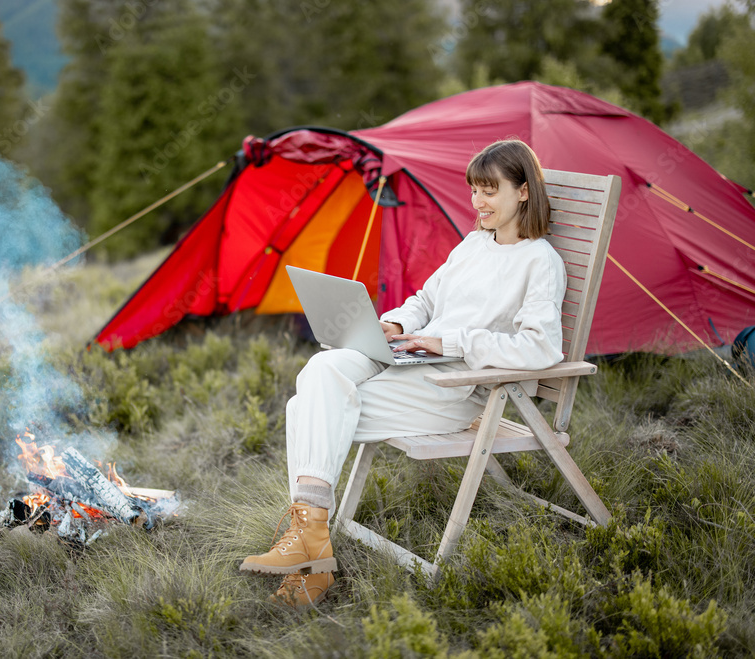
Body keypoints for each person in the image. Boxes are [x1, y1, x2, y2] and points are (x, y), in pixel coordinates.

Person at [238, 139, 566, 607]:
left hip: (456, 384)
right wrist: (394, 324)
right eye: (474, 190)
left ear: (524, 192)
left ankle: (309, 553)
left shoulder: (540, 262)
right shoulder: (475, 243)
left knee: (306, 407)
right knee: (322, 369)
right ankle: (311, 544)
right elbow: (427, 302)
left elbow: (541, 346)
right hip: (415, 356)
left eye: (490, 191)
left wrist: (449, 342)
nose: (478, 202)